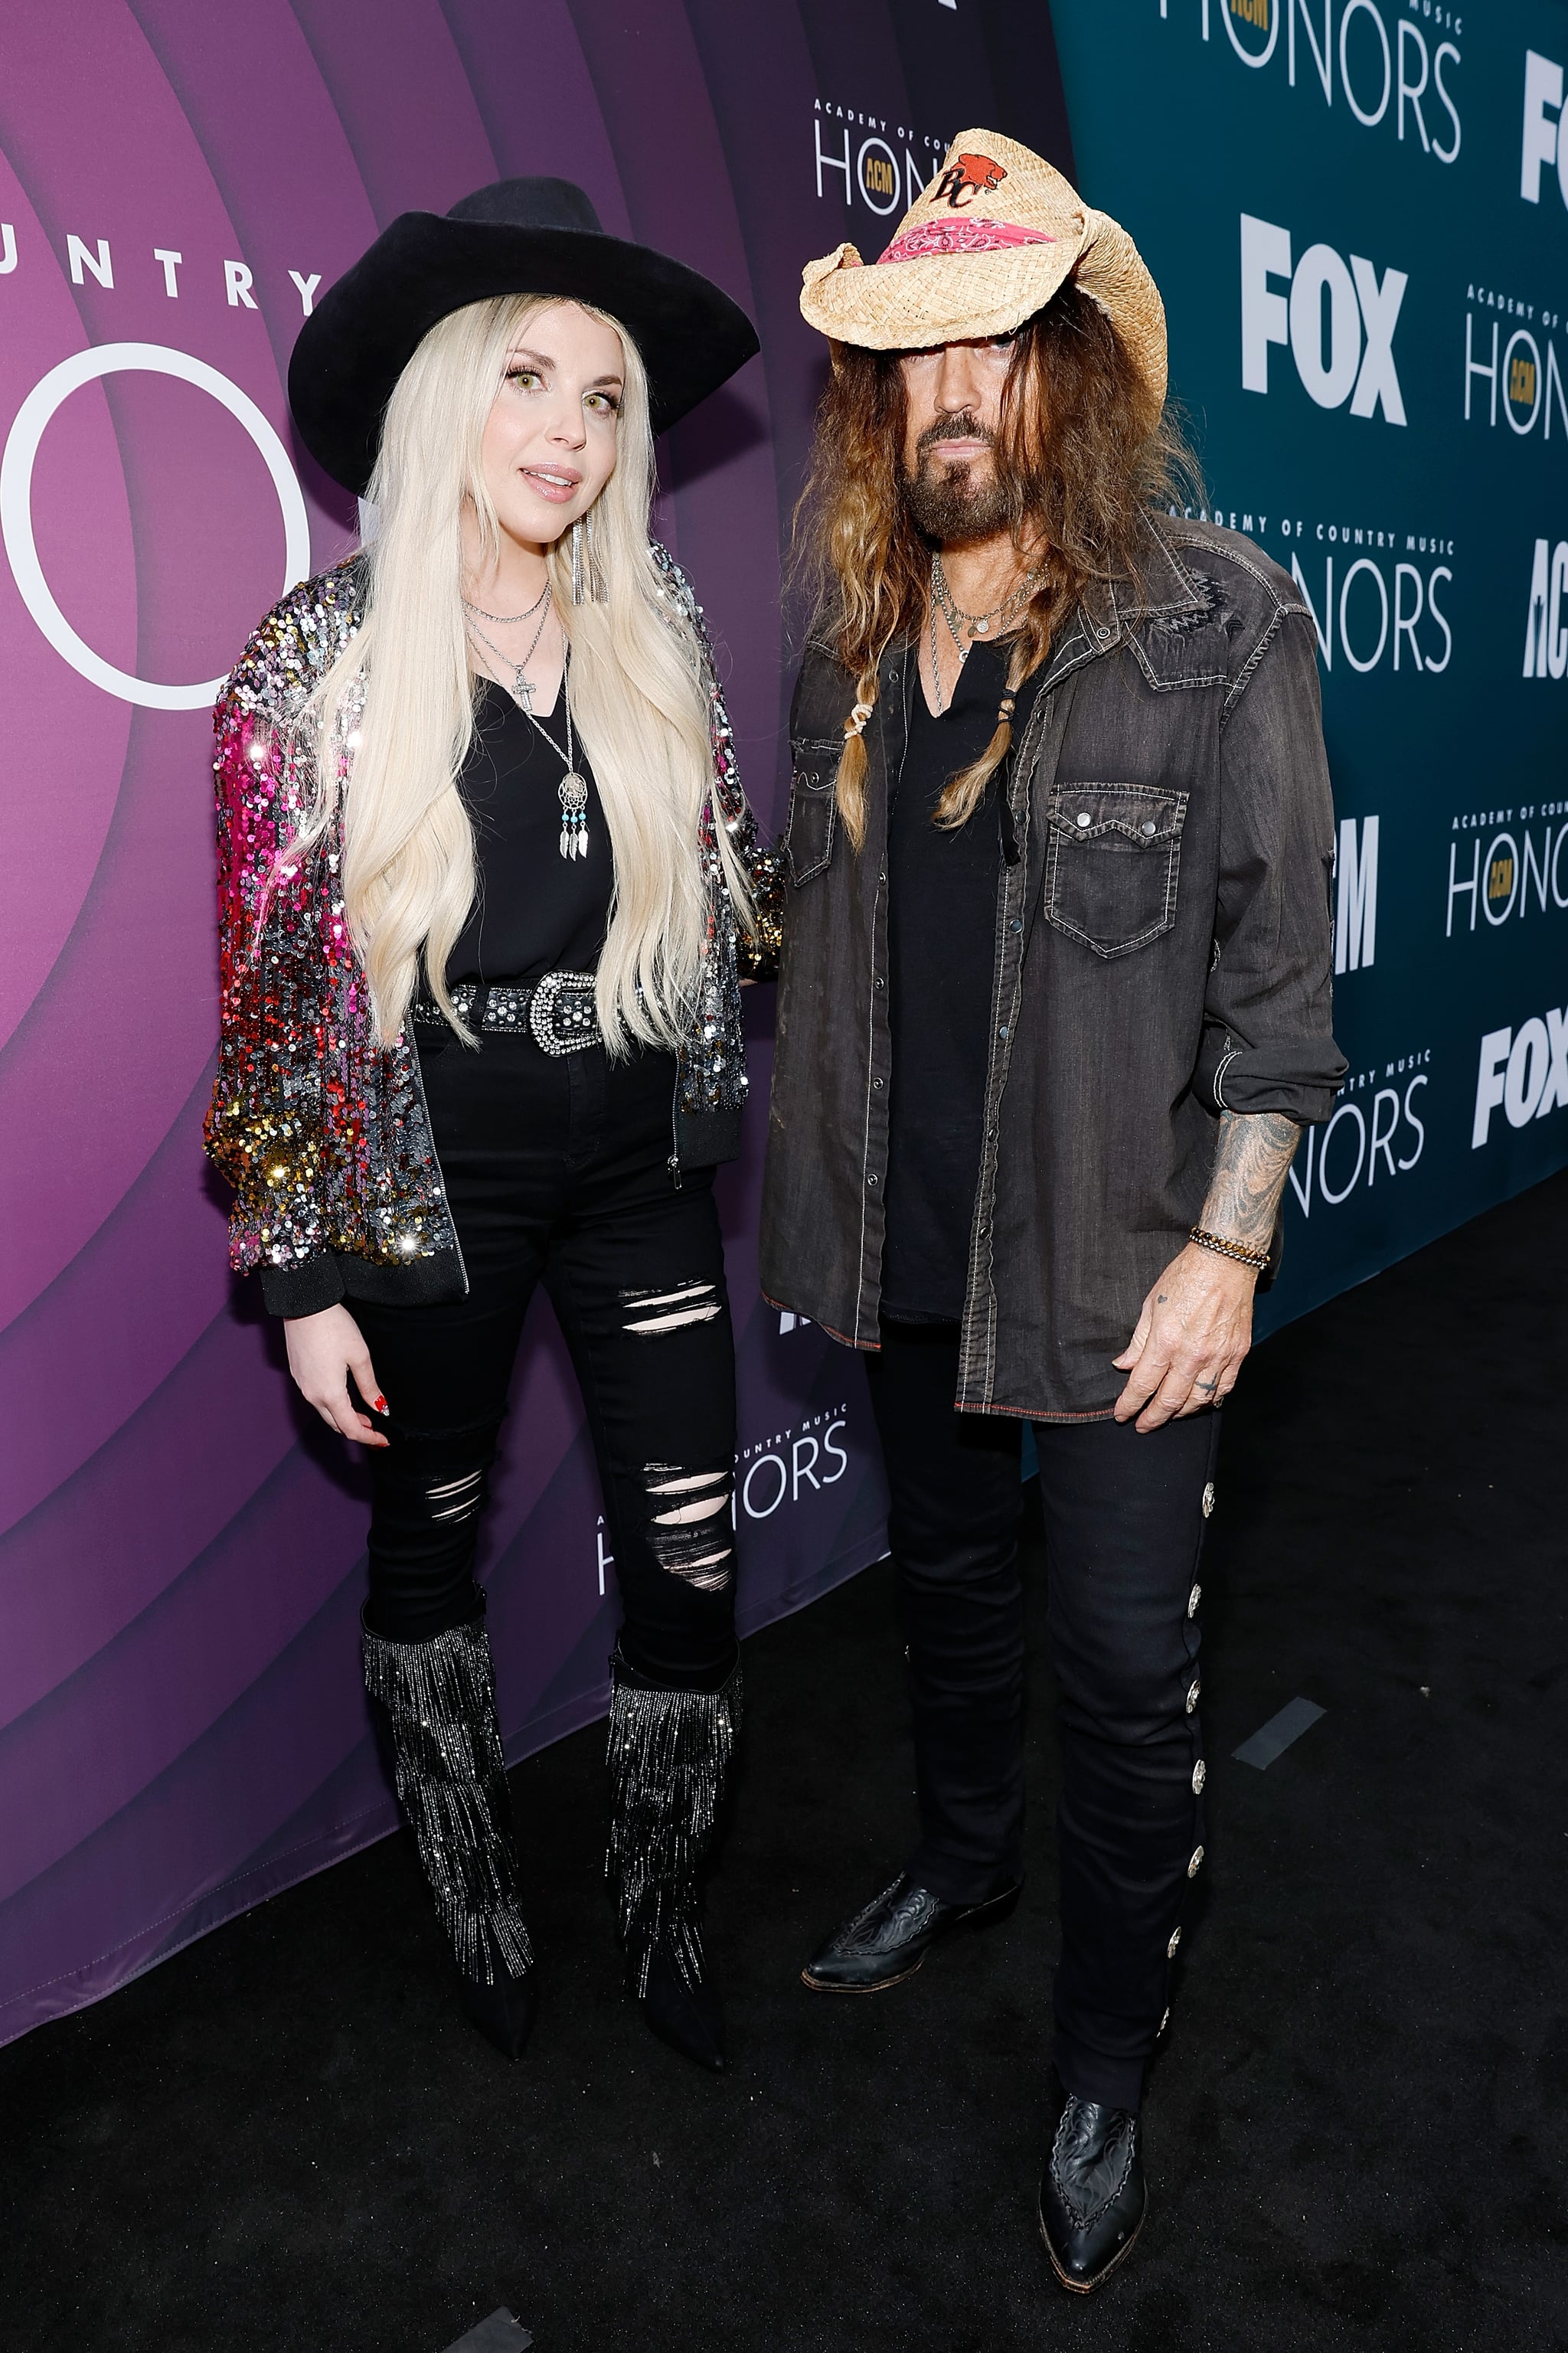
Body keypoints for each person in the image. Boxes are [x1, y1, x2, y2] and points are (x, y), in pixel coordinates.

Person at [766, 132, 1345, 2289]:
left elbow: (1285, 997)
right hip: (903, 1256)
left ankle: (1107, 2055)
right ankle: (963, 1861)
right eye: (917, 355)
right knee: (948, 1594)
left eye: (999, 352)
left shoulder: (1217, 624)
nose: (956, 398)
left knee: (1122, 1671)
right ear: (871, 399)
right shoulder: (839, 657)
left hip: (1123, 1265)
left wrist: (1230, 1243)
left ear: (1074, 380)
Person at [204, 178, 778, 2076]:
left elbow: (731, 895)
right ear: (450, 395)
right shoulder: (315, 661)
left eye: (606, 400)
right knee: (428, 1546)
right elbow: (279, 992)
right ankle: (468, 1879)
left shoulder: (654, 623)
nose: (571, 431)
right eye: (530, 377)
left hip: (632, 1152)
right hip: (423, 1174)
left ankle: (661, 1900)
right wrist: (299, 1277)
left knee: (689, 1555)